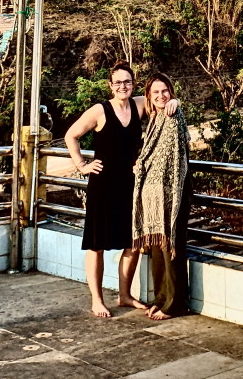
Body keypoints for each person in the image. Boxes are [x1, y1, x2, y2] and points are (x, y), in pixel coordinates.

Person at [64, 62, 177, 317]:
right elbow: (72, 135)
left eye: (127, 82)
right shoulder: (100, 110)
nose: (123, 87)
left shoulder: (139, 104)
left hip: (130, 184)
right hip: (102, 185)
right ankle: (97, 299)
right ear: (110, 85)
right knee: (97, 245)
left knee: (132, 242)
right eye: (118, 83)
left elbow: (161, 97)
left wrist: (176, 102)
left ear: (133, 84)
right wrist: (81, 164)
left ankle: (124, 295)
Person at [132, 72, 191, 320]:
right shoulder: (155, 118)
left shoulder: (172, 113)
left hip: (174, 190)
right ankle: (161, 298)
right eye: (155, 92)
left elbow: (173, 153)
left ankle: (175, 304)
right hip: (155, 194)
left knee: (172, 246)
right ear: (148, 96)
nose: (160, 96)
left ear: (171, 92)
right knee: (158, 248)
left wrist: (175, 104)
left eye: (165, 91)